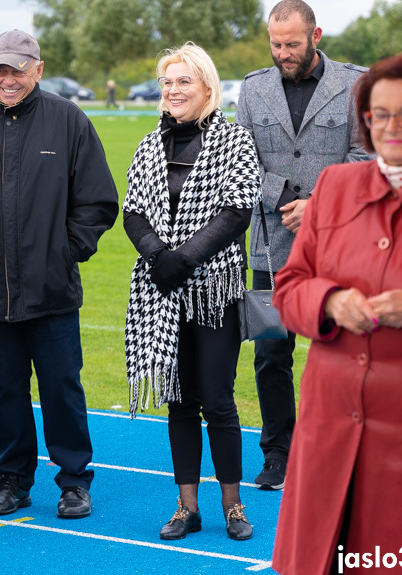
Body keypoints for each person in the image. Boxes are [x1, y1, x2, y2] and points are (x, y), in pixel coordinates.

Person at [270, 51, 402, 575]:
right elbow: (289, 287)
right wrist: (329, 302)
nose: (391, 126)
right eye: (378, 113)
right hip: (329, 434)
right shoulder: (335, 187)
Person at [0, 29, 118, 520]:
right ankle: (13, 478)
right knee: (4, 391)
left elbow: (97, 200)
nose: (8, 79)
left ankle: (74, 480)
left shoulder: (68, 120)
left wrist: (67, 250)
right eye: (0, 69)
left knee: (62, 389)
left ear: (37, 67)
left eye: (17, 69)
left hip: (51, 291)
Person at [123, 42, 259, 542]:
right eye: (166, 82)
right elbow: (132, 211)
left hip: (212, 292)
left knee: (218, 400)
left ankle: (233, 504)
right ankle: (187, 507)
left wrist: (185, 259)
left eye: (183, 82)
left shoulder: (235, 141)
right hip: (160, 289)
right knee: (179, 401)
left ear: (206, 86)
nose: (173, 91)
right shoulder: (149, 144)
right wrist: (160, 256)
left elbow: (237, 209)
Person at [234, 0, 369, 490]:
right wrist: (289, 196)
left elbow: (366, 156)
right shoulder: (252, 89)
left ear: (316, 36)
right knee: (271, 355)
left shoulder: (356, 84)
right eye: (275, 43)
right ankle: (278, 454)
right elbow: (240, 159)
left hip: (339, 246)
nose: (283, 52)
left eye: (292, 43)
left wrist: (317, 202)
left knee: (341, 352)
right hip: (271, 245)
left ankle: (342, 452)